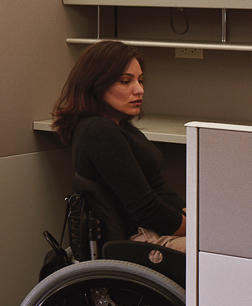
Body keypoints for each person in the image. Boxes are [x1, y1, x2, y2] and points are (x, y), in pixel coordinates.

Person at [51, 40, 186, 252]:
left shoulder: (119, 125)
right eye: (125, 81)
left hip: (157, 230)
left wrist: (191, 216)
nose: (139, 90)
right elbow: (147, 210)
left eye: (140, 81)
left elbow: (156, 191)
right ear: (96, 84)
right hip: (145, 237)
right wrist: (198, 226)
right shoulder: (98, 131)